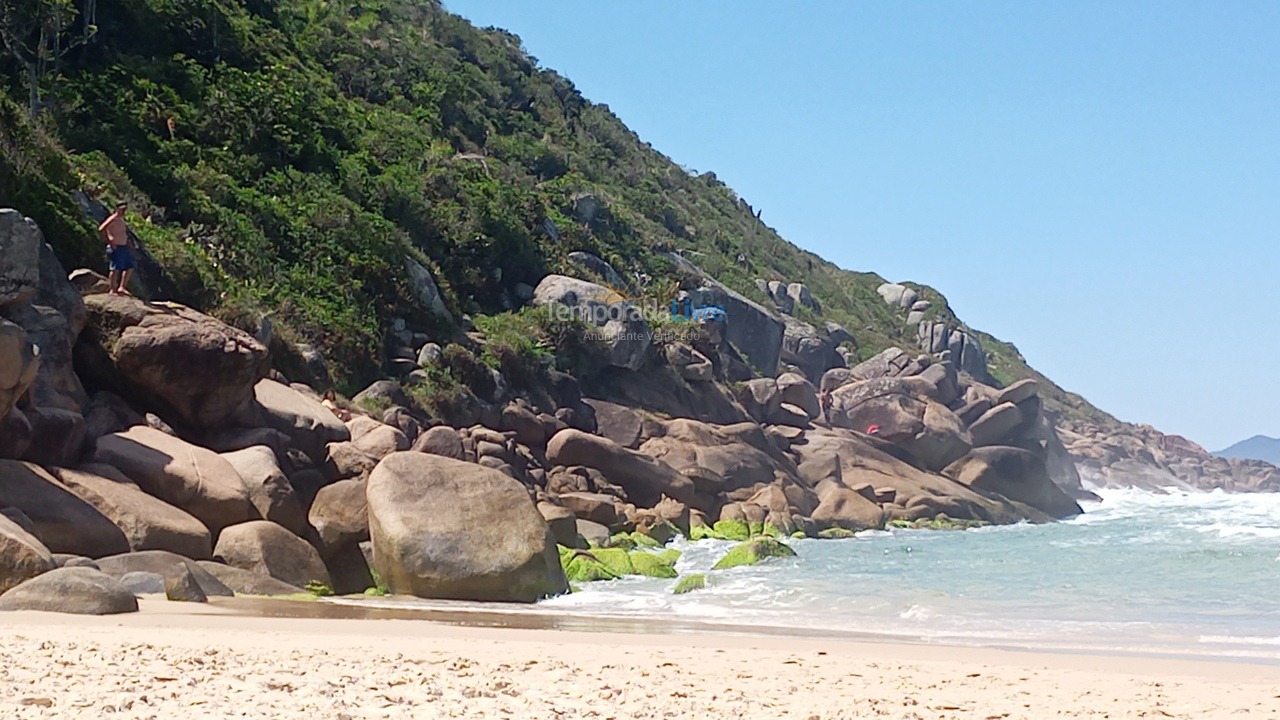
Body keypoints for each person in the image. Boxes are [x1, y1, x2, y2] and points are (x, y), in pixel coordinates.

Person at [98, 202, 135, 296]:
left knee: (130, 266)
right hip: (116, 247)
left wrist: (129, 244)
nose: (124, 211)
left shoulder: (121, 220)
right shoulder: (113, 218)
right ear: (117, 209)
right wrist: (110, 241)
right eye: (122, 209)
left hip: (123, 247)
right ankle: (113, 289)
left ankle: (122, 287)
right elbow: (102, 229)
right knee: (115, 268)